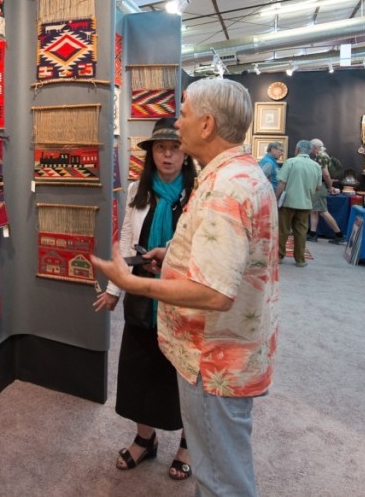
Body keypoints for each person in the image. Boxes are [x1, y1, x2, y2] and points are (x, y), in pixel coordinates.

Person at [91, 78, 279, 497]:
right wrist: (170, 256)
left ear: (207, 124)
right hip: (223, 351)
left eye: (186, 114)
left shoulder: (222, 190)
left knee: (220, 481)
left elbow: (214, 292)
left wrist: (132, 281)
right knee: (221, 468)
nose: (178, 125)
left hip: (212, 358)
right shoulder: (239, 175)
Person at [93, 117, 197, 480]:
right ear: (151, 153)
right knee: (140, 370)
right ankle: (145, 438)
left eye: (175, 147)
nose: (168, 155)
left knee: (183, 374)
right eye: (160, 148)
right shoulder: (139, 188)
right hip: (143, 296)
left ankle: (188, 445)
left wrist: (168, 255)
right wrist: (113, 290)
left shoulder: (199, 192)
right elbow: (124, 240)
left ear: (186, 153)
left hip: (184, 297)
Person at [276, 140, 321, 267]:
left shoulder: (291, 162)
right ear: (311, 150)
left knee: (283, 230)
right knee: (301, 231)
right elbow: (318, 187)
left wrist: (275, 198)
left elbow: (281, 183)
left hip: (288, 202)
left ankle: (279, 256)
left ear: (297, 149)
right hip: (305, 203)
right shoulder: (316, 166)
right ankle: (300, 259)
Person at [307, 138, 343, 243]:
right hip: (321, 185)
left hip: (320, 186)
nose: (310, 150)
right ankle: (312, 234)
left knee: (323, 211)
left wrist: (329, 187)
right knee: (315, 210)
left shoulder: (320, 156)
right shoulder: (324, 155)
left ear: (315, 147)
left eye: (311, 148)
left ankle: (339, 234)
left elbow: (325, 174)